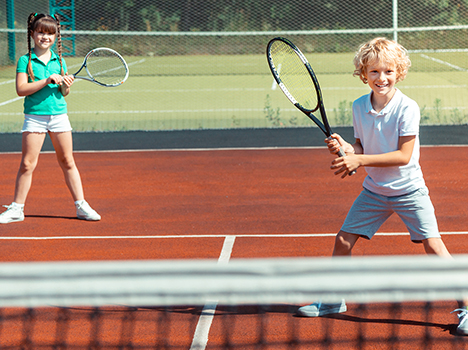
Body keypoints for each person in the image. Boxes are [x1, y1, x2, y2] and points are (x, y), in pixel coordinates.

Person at [296, 37, 467, 335]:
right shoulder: (359, 106)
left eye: (388, 71)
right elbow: (361, 146)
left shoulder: (407, 108)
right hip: (375, 191)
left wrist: (358, 162)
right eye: (374, 72)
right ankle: (334, 300)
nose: (381, 78)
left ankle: (466, 307)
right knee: (343, 241)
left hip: (410, 191)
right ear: (364, 74)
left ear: (399, 72)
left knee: (434, 246)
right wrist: (346, 149)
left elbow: (403, 156)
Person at [0, 13, 100, 224]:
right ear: (32, 34)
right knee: (27, 164)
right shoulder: (25, 60)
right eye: (41, 32)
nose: (45, 37)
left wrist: (66, 85)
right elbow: (21, 89)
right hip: (35, 118)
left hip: (59, 117)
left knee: (67, 161)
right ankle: (17, 209)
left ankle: (81, 206)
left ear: (56, 37)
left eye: (50, 33)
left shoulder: (60, 60)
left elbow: (63, 93)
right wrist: (46, 80)